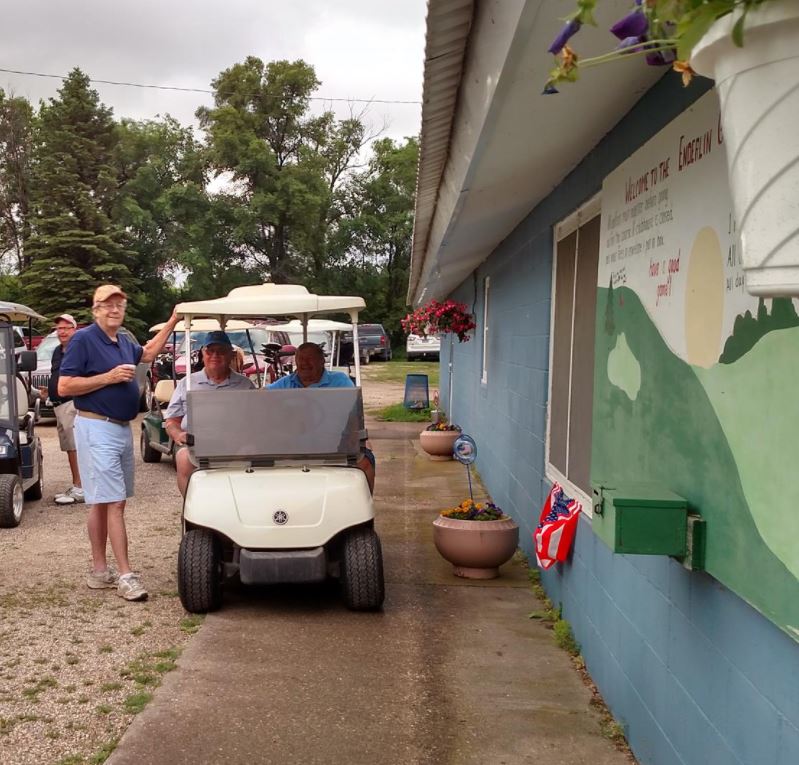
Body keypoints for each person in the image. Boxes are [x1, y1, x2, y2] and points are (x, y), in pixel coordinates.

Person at [59, 284, 180, 602]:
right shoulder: (84, 339)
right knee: (114, 502)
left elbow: (149, 353)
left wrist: (173, 319)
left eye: (119, 303)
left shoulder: (123, 341)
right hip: (96, 427)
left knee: (103, 500)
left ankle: (100, 572)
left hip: (121, 429)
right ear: (95, 309)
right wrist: (108, 378)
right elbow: (65, 385)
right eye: (107, 304)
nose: (114, 308)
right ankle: (126, 576)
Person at [267, 342, 375, 492]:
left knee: (365, 464)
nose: (305, 363)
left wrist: (357, 437)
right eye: (301, 358)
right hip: (292, 446)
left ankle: (365, 505)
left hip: (334, 445)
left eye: (310, 358)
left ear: (321, 361)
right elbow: (261, 399)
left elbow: (354, 411)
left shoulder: (340, 381)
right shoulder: (285, 383)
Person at [164, 331, 254, 497]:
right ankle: (192, 506)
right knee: (183, 458)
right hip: (197, 444)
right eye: (210, 351)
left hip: (234, 444)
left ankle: (240, 504)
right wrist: (178, 434)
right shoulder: (187, 383)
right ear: (202, 354)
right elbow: (172, 421)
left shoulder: (244, 385)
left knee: (254, 454)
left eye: (221, 351)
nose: (215, 355)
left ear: (230, 355)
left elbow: (256, 422)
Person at [43, 314, 85, 505]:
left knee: (75, 447)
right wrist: (49, 392)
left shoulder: (79, 350)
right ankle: (78, 485)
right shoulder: (57, 352)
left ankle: (81, 488)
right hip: (58, 405)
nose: (62, 331)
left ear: (74, 330)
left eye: (67, 328)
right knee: (69, 448)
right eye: (59, 328)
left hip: (72, 404)